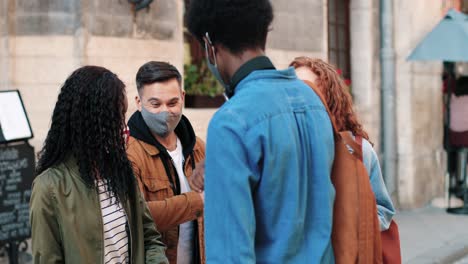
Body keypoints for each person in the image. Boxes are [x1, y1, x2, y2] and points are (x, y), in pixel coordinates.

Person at [186, 1, 336, 263]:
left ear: (210, 46)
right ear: (264, 33)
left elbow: (230, 254)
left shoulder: (230, 122)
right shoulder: (314, 103)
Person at [30, 66, 169, 264]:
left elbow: (149, 237)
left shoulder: (121, 172)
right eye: (115, 118)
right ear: (90, 123)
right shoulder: (49, 188)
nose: (124, 127)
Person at [291, 57, 395, 231]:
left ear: (329, 99)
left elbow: (383, 212)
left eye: (309, 90)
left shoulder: (358, 150)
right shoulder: (282, 145)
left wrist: (345, 225)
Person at [126, 61, 206, 264]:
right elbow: (137, 216)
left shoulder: (199, 148)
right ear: (138, 102)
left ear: (183, 98)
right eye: (155, 104)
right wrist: (199, 201)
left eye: (172, 103)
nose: (165, 112)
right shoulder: (128, 154)